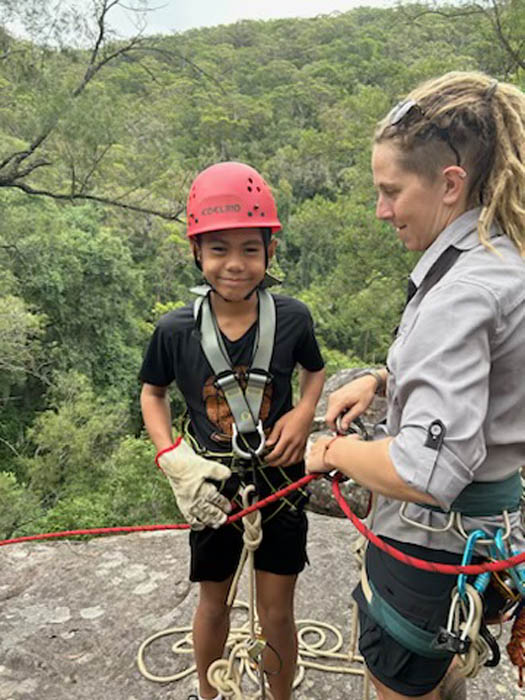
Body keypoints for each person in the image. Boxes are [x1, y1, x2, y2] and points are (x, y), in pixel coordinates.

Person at [306, 71, 525, 700]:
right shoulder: (504, 260)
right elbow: (494, 373)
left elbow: (424, 472)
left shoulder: (461, 293)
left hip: (431, 554)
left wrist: (332, 451)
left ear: (449, 184)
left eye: (391, 191)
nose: (382, 210)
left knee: (405, 679)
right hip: (489, 536)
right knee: (445, 665)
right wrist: (384, 380)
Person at [140, 161, 325, 700]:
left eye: (250, 249)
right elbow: (153, 393)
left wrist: (303, 413)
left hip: (281, 485)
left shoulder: (293, 319)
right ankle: (209, 692)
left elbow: (314, 372)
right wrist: (171, 457)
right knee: (213, 603)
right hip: (212, 488)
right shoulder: (176, 330)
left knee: (277, 611)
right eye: (219, 249)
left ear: (270, 251)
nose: (235, 264)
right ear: (196, 252)